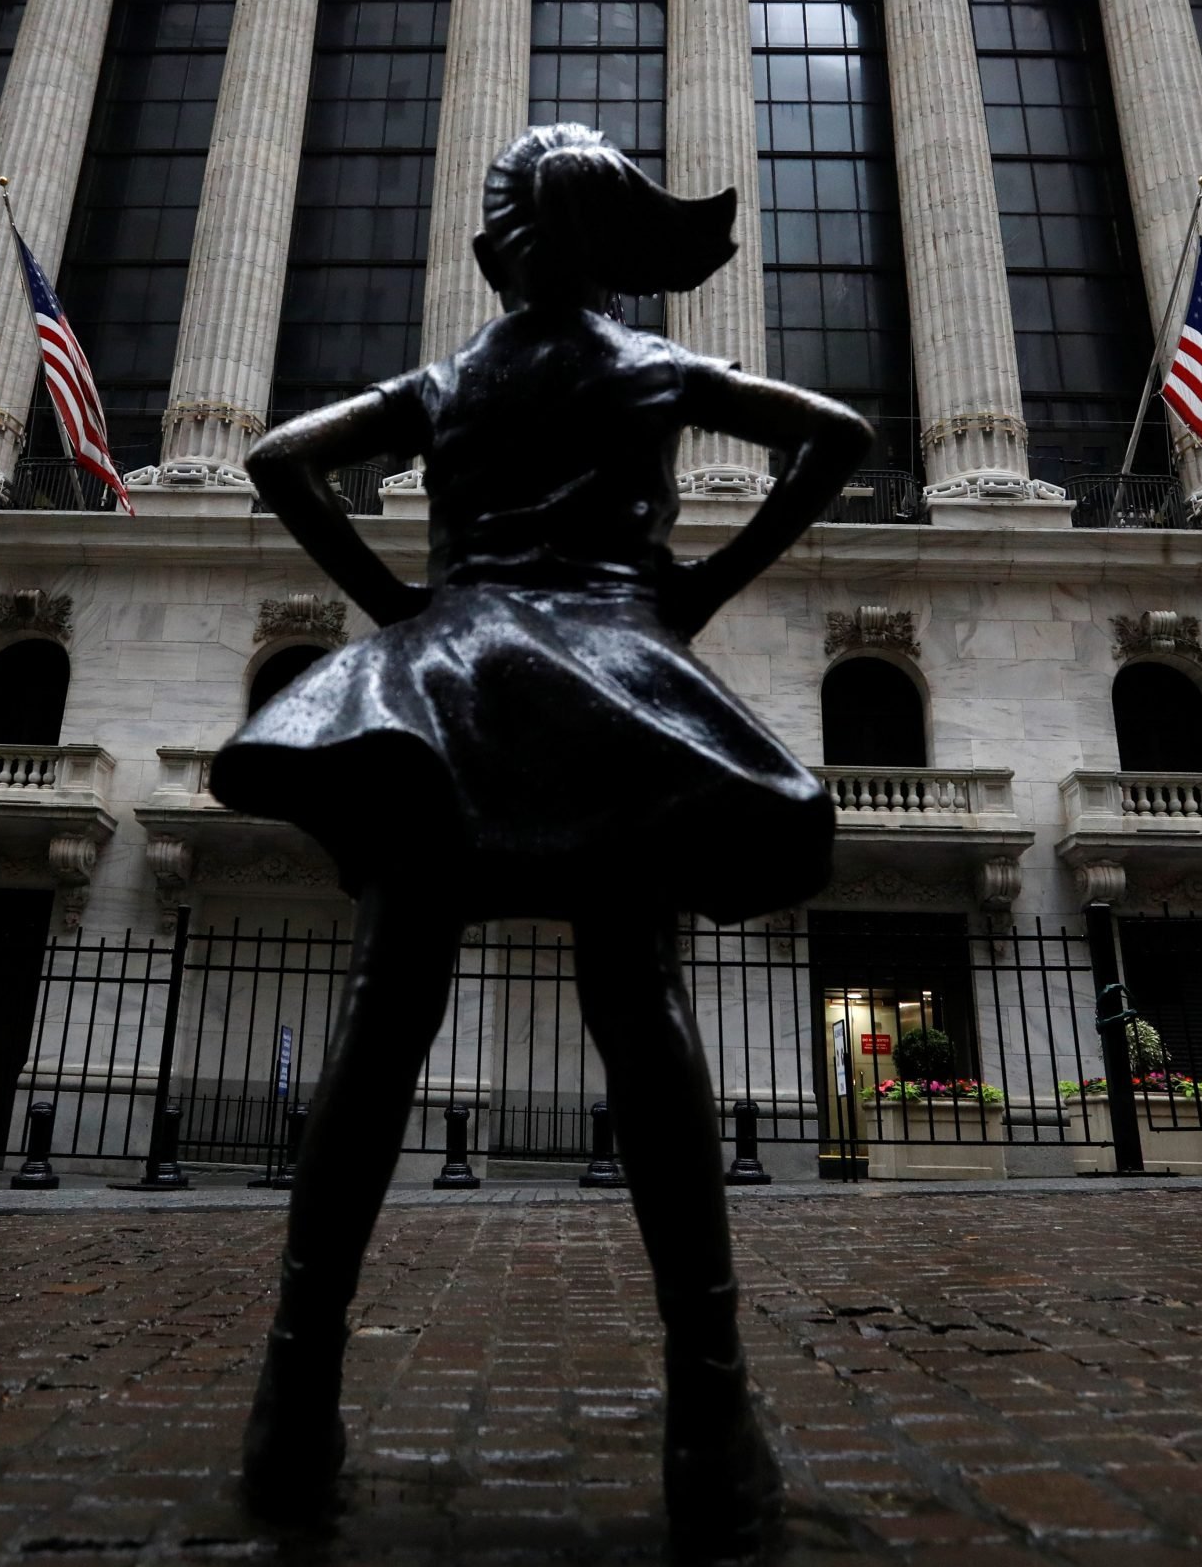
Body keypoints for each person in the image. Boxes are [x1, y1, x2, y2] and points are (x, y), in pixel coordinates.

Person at [213, 123, 872, 1561]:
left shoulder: (448, 377)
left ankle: (295, 1388)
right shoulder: (650, 370)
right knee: (639, 1007)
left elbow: (275, 460)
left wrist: (398, 609)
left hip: (441, 686)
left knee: (383, 1021)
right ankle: (710, 1411)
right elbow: (842, 439)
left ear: (499, 251)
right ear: (620, 256)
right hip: (609, 684)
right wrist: (694, 596)